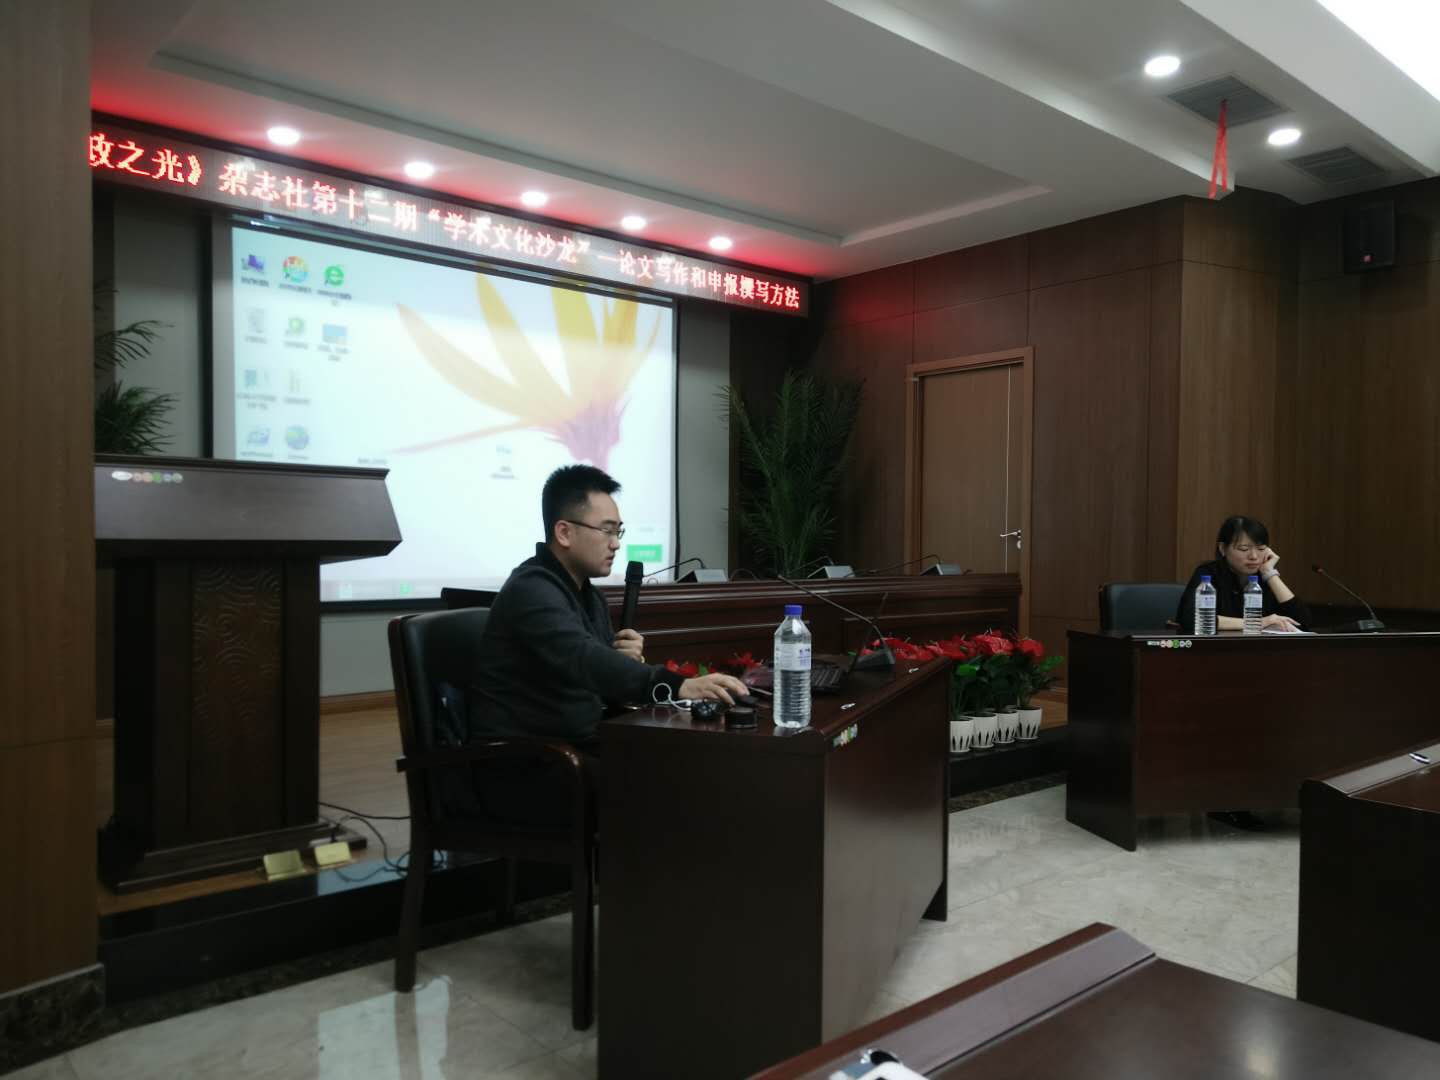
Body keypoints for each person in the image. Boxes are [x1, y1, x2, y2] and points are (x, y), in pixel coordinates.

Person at [466, 464, 747, 824]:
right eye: (607, 530)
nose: (616, 543)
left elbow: (595, 678)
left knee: (686, 767)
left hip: (574, 748)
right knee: (669, 788)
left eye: (619, 531)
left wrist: (624, 662)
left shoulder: (588, 595)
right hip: (525, 767)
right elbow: (583, 659)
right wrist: (678, 685)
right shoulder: (531, 590)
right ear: (564, 532)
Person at [1176, 515, 1312, 633]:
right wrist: (1259, 622)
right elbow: (1191, 619)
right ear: (1223, 548)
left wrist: (1270, 574)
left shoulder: (1264, 577)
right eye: (1244, 549)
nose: (1254, 556)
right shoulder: (1208, 574)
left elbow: (1302, 622)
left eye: (1261, 549)